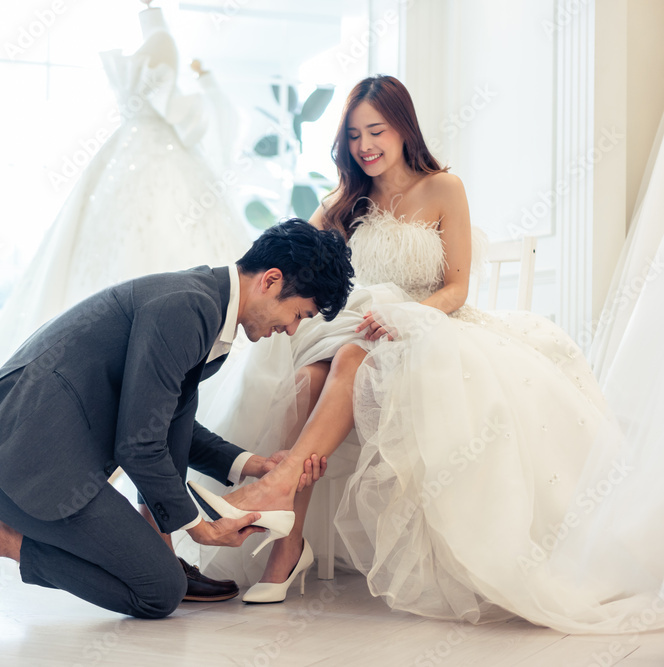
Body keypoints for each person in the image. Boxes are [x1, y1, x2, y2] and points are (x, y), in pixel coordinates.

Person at [195, 75, 664, 634]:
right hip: (355, 327)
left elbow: (457, 288)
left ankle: (277, 491)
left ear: (402, 128)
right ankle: (288, 544)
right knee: (308, 380)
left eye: (377, 130)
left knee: (348, 359)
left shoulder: (444, 188)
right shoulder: (343, 200)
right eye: (353, 135)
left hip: (427, 324)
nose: (365, 145)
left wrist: (405, 317)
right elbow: (292, 255)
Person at [0, 219, 354, 619]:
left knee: (160, 578)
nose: (293, 329)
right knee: (158, 593)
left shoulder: (205, 306)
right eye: (299, 314)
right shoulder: (188, 308)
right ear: (271, 280)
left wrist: (250, 463)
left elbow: (163, 422)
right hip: (22, 466)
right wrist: (198, 528)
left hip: (32, 459)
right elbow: (138, 444)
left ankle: (155, 558)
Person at [0, 4, 251, 418]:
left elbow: (176, 108)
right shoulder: (157, 39)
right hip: (131, 158)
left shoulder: (161, 39)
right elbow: (183, 112)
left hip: (144, 155)